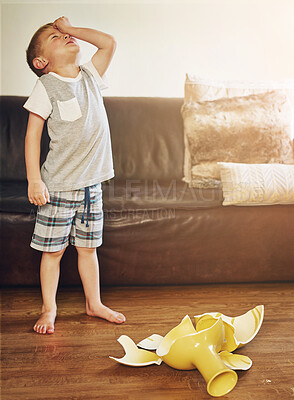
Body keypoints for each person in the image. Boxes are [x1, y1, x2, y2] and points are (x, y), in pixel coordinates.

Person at [24, 16, 126, 334]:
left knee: (88, 249)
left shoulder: (91, 76)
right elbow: (31, 137)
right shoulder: (46, 86)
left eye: (66, 35)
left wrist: (70, 29)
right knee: (53, 252)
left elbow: (108, 41)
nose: (66, 38)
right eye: (57, 38)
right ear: (42, 62)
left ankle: (93, 304)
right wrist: (34, 180)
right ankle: (48, 308)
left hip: (91, 185)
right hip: (58, 186)